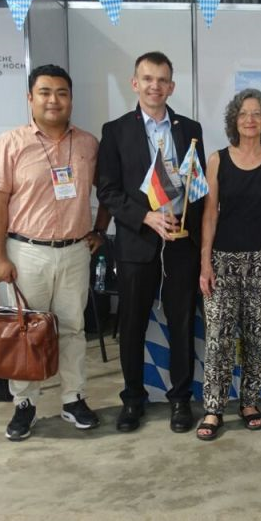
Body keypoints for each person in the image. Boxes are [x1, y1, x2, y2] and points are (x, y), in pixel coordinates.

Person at [0, 64, 108, 441]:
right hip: (27, 253)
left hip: (75, 251)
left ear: (71, 99)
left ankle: (73, 398)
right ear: (30, 98)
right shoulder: (10, 143)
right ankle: (25, 403)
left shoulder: (88, 143)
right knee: (25, 332)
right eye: (45, 92)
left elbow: (108, 190)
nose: (54, 100)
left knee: (73, 329)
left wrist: (100, 230)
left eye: (62, 93)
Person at [96, 51, 205, 433]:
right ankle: (132, 399)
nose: (154, 86)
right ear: (135, 83)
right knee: (132, 325)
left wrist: (191, 225)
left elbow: (197, 187)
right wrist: (146, 216)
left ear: (171, 86)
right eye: (147, 79)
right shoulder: (116, 131)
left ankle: (180, 399)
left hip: (180, 243)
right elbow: (107, 191)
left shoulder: (190, 128)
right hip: (137, 242)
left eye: (162, 80)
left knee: (181, 324)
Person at [196, 89, 261, 440]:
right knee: (218, 339)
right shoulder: (218, 160)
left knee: (256, 336)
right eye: (243, 114)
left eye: (257, 114)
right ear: (234, 121)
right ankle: (213, 408)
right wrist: (205, 262)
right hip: (222, 261)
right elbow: (209, 214)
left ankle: (249, 402)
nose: (250, 120)